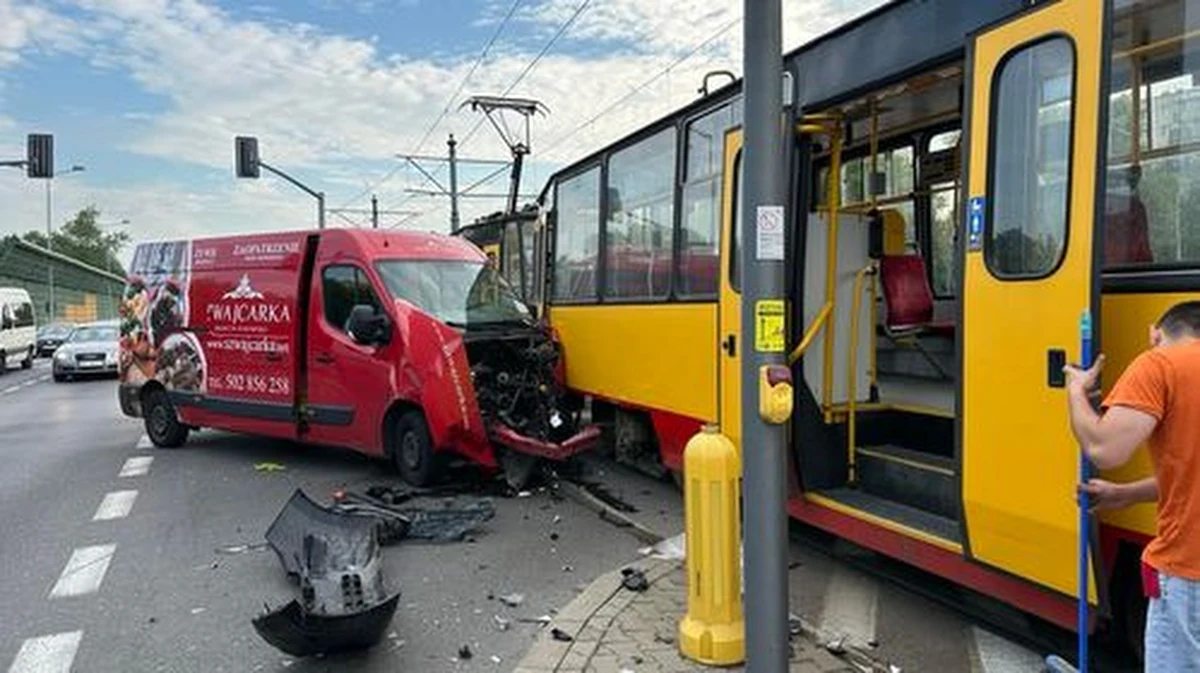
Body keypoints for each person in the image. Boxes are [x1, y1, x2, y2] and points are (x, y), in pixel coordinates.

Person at [1064, 300, 1200, 669]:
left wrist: (1076, 392)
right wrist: (1125, 494)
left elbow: (1105, 448)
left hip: (1189, 572)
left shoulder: (1160, 364)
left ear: (1155, 333)